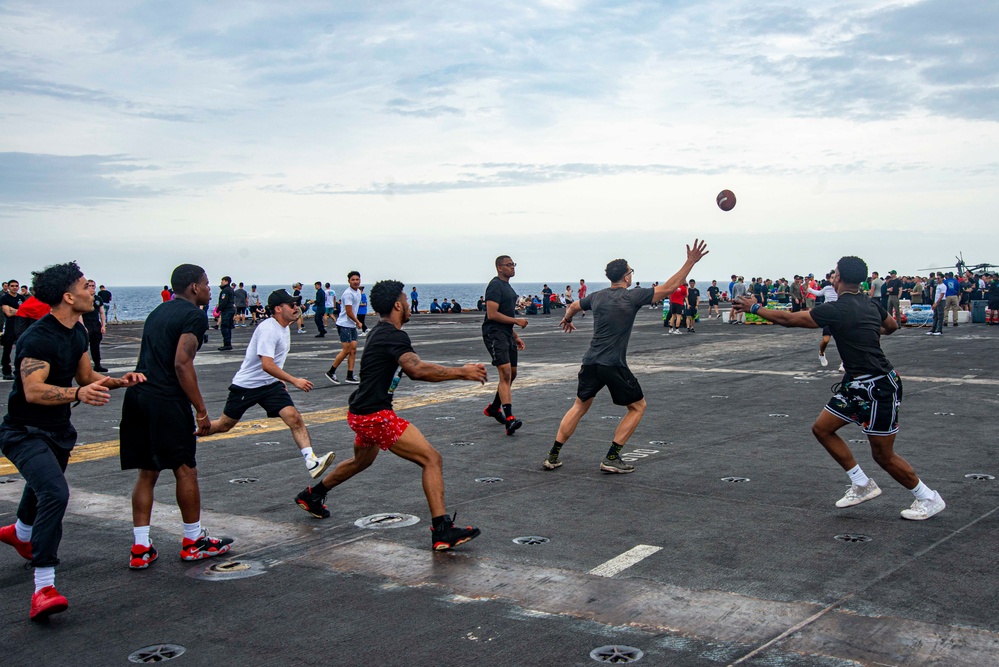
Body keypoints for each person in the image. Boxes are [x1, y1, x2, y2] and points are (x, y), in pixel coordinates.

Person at [731, 256, 946, 520]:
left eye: (834, 272)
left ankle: (928, 497)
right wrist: (864, 329)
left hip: (879, 388)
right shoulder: (869, 304)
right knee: (822, 429)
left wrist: (755, 308)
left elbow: (789, 319)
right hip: (855, 386)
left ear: (838, 278)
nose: (831, 275)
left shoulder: (837, 308)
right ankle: (862, 483)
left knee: (883, 455)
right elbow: (891, 326)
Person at [294, 280, 486, 550]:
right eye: (405, 301)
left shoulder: (378, 331)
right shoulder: (392, 335)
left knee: (361, 462)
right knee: (432, 459)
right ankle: (442, 529)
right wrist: (462, 372)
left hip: (360, 412)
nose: (408, 305)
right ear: (398, 305)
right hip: (376, 415)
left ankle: (312, 495)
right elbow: (416, 369)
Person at [0, 261, 144, 619]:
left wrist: (119, 381)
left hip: (58, 431)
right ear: (68, 296)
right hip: (23, 432)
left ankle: (20, 532)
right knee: (55, 493)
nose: (91, 290)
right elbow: (33, 391)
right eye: (84, 286)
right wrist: (79, 395)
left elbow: (86, 374)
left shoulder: (77, 332)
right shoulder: (37, 337)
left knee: (40, 488)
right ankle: (43, 588)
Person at [543, 241, 708, 473]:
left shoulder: (597, 296)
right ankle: (611, 458)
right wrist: (690, 261)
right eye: (631, 271)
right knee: (638, 406)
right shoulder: (632, 296)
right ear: (627, 277)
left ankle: (553, 456)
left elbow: (573, 307)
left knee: (579, 406)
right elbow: (670, 287)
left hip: (590, 361)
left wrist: (568, 319)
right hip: (613, 363)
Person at [120, 264, 234, 571]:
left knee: (147, 471)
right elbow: (182, 364)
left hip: (138, 396)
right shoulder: (194, 315)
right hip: (165, 400)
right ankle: (193, 541)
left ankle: (141, 546)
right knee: (185, 469)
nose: (210, 290)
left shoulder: (159, 311)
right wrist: (201, 410)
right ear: (194, 288)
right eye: (206, 284)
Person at [209, 289, 335, 477]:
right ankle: (188, 433)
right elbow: (267, 364)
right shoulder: (269, 329)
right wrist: (293, 380)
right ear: (278, 308)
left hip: (270, 385)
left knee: (294, 418)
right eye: (291, 305)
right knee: (223, 425)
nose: (296, 308)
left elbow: (273, 365)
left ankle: (311, 461)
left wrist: (279, 381)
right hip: (247, 385)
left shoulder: (283, 327)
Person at [482, 256, 528, 436]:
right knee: (505, 373)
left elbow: (504, 314)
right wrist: (516, 321)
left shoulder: (507, 287)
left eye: (513, 264)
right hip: (494, 334)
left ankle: (494, 407)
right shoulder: (495, 286)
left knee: (512, 374)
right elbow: (492, 314)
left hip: (507, 334)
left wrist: (515, 335)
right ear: (499, 268)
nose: (512, 268)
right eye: (508, 265)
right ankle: (509, 419)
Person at [325, 271, 362, 385]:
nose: (355, 281)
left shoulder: (358, 292)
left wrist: (355, 322)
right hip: (344, 324)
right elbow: (349, 312)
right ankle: (331, 371)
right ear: (349, 281)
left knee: (353, 349)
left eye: (357, 279)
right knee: (346, 350)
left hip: (351, 325)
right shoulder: (348, 294)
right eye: (353, 280)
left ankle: (350, 375)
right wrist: (358, 322)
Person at [808, 273, 842, 370]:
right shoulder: (827, 288)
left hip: (839, 317)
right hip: (828, 317)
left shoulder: (842, 290)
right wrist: (809, 289)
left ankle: (843, 362)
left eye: (836, 277)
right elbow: (818, 293)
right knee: (826, 340)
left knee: (842, 341)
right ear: (830, 279)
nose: (834, 279)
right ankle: (821, 353)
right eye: (832, 277)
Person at [82, 279, 108, 372]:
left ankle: (97, 365)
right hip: (85, 324)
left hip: (95, 325)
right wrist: (83, 326)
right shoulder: (82, 299)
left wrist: (103, 325)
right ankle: (81, 367)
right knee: (82, 347)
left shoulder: (98, 299)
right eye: (90, 286)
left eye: (93, 286)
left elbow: (102, 313)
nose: (92, 287)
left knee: (95, 347)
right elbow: (79, 314)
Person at [2, 279, 22, 380]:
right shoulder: (5, 298)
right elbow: (8, 313)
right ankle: (6, 371)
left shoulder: (21, 298)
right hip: (9, 326)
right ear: (8, 287)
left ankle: (19, 371)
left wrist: (14, 310)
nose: (14, 287)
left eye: (16, 286)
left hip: (20, 326)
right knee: (7, 349)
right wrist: (19, 310)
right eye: (12, 286)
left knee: (21, 349)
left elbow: (26, 311)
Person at [217, 275, 235, 351]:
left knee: (224, 327)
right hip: (231, 309)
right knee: (229, 327)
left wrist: (218, 309)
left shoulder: (225, 291)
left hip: (226, 310)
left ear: (226, 281)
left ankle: (227, 344)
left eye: (223, 281)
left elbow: (224, 301)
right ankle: (228, 343)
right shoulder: (231, 289)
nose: (221, 282)